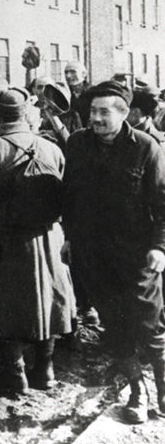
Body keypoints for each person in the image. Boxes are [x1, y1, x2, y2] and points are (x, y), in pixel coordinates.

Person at [0, 89, 75, 394]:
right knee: (49, 300)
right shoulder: (51, 149)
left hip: (3, 240)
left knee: (4, 302)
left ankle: (16, 372)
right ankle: (45, 369)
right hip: (48, 238)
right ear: (25, 113)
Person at [63, 80, 165, 424]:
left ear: (124, 114)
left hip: (138, 257)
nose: (95, 118)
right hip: (94, 256)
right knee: (115, 328)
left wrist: (159, 247)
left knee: (150, 326)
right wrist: (68, 237)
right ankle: (138, 391)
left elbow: (163, 204)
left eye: (104, 111)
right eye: (92, 111)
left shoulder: (146, 147)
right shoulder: (77, 145)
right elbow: (71, 197)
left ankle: (164, 389)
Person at [64, 60, 90, 127]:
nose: (68, 76)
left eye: (73, 72)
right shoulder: (64, 93)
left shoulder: (93, 92)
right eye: (66, 72)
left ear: (84, 74)